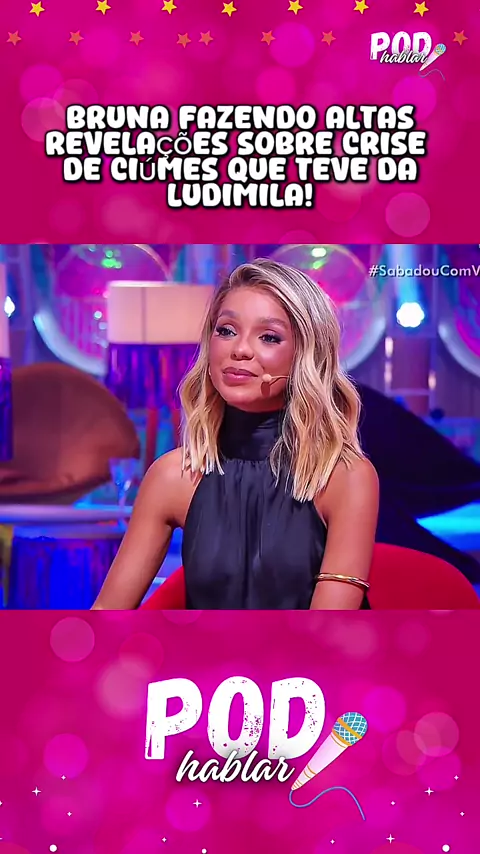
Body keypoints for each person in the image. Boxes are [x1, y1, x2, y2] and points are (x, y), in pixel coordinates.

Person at [92, 259, 379, 610]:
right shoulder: (172, 477)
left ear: (305, 356)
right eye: (226, 330)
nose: (239, 350)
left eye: (269, 337)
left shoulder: (344, 477)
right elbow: (105, 616)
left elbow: (328, 631)